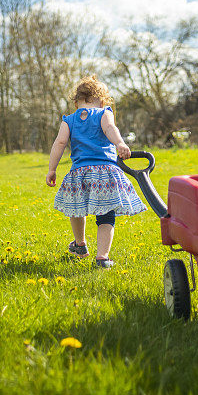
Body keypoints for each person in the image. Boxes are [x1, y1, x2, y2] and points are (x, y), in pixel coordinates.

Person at [46, 75, 146, 268]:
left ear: (76, 102)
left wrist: (52, 169)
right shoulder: (104, 113)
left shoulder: (69, 120)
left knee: (76, 208)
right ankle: (102, 257)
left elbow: (59, 143)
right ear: (102, 100)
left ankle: (81, 244)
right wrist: (120, 143)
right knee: (106, 216)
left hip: (79, 173)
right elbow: (110, 128)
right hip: (106, 173)